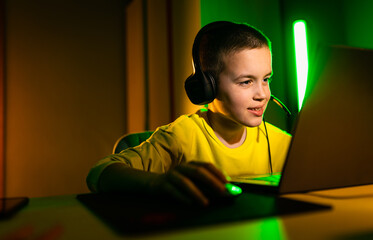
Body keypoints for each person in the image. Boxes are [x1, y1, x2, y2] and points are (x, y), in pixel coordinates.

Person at [86, 21, 291, 206]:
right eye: (246, 82)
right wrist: (156, 182)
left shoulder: (283, 144)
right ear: (207, 86)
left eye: (266, 79)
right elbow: (99, 172)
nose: (263, 94)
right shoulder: (181, 137)